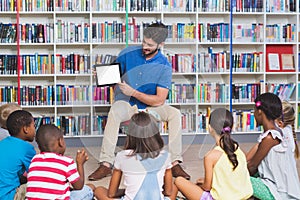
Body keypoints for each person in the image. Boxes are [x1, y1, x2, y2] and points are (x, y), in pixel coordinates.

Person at [88, 21, 190, 181]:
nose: (145, 46)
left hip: (151, 107)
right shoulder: (127, 53)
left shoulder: (164, 66)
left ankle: (175, 162)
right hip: (127, 104)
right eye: (144, 41)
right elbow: (114, 75)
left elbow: (159, 100)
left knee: (175, 114)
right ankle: (106, 163)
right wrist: (102, 75)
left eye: (149, 44)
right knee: (114, 111)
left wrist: (133, 92)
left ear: (161, 44)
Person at [173, 108, 253, 200]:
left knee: (179, 181)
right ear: (232, 127)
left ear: (210, 128)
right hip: (243, 197)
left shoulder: (210, 156)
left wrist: (202, 185)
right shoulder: (239, 150)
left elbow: (207, 187)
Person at [94, 112, 173, 200]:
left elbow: (111, 194)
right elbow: (168, 192)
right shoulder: (166, 155)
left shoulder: (122, 156)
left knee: (99, 190)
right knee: (175, 187)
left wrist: (127, 191)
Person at [247, 93, 300, 199]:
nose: (253, 115)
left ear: (260, 112)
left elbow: (252, 166)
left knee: (237, 178)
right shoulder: (283, 131)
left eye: (254, 111)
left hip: (277, 192)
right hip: (286, 189)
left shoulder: (270, 138)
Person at [26, 124, 95, 200]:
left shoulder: (34, 160)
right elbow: (79, 186)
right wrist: (80, 164)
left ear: (39, 147)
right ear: (61, 141)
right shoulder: (66, 162)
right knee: (88, 190)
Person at [0, 110, 36, 200]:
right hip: (9, 195)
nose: (35, 129)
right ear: (26, 129)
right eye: (34, 126)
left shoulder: (2, 143)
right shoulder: (27, 149)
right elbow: (36, 173)